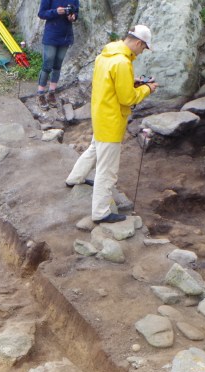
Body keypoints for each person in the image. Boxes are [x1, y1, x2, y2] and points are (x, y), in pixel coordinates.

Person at [65, 25, 158, 224]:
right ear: (139, 43)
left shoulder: (107, 54)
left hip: (100, 113)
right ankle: (101, 212)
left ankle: (75, 178)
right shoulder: (123, 63)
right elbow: (127, 98)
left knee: (94, 148)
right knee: (107, 169)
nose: (142, 52)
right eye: (144, 48)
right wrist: (147, 89)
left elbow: (111, 82)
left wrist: (134, 81)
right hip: (112, 119)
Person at [36, 0, 79, 109]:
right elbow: (41, 13)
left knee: (57, 65)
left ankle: (51, 93)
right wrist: (55, 12)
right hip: (51, 35)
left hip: (65, 36)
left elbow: (76, 12)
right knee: (47, 64)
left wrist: (73, 17)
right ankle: (40, 94)